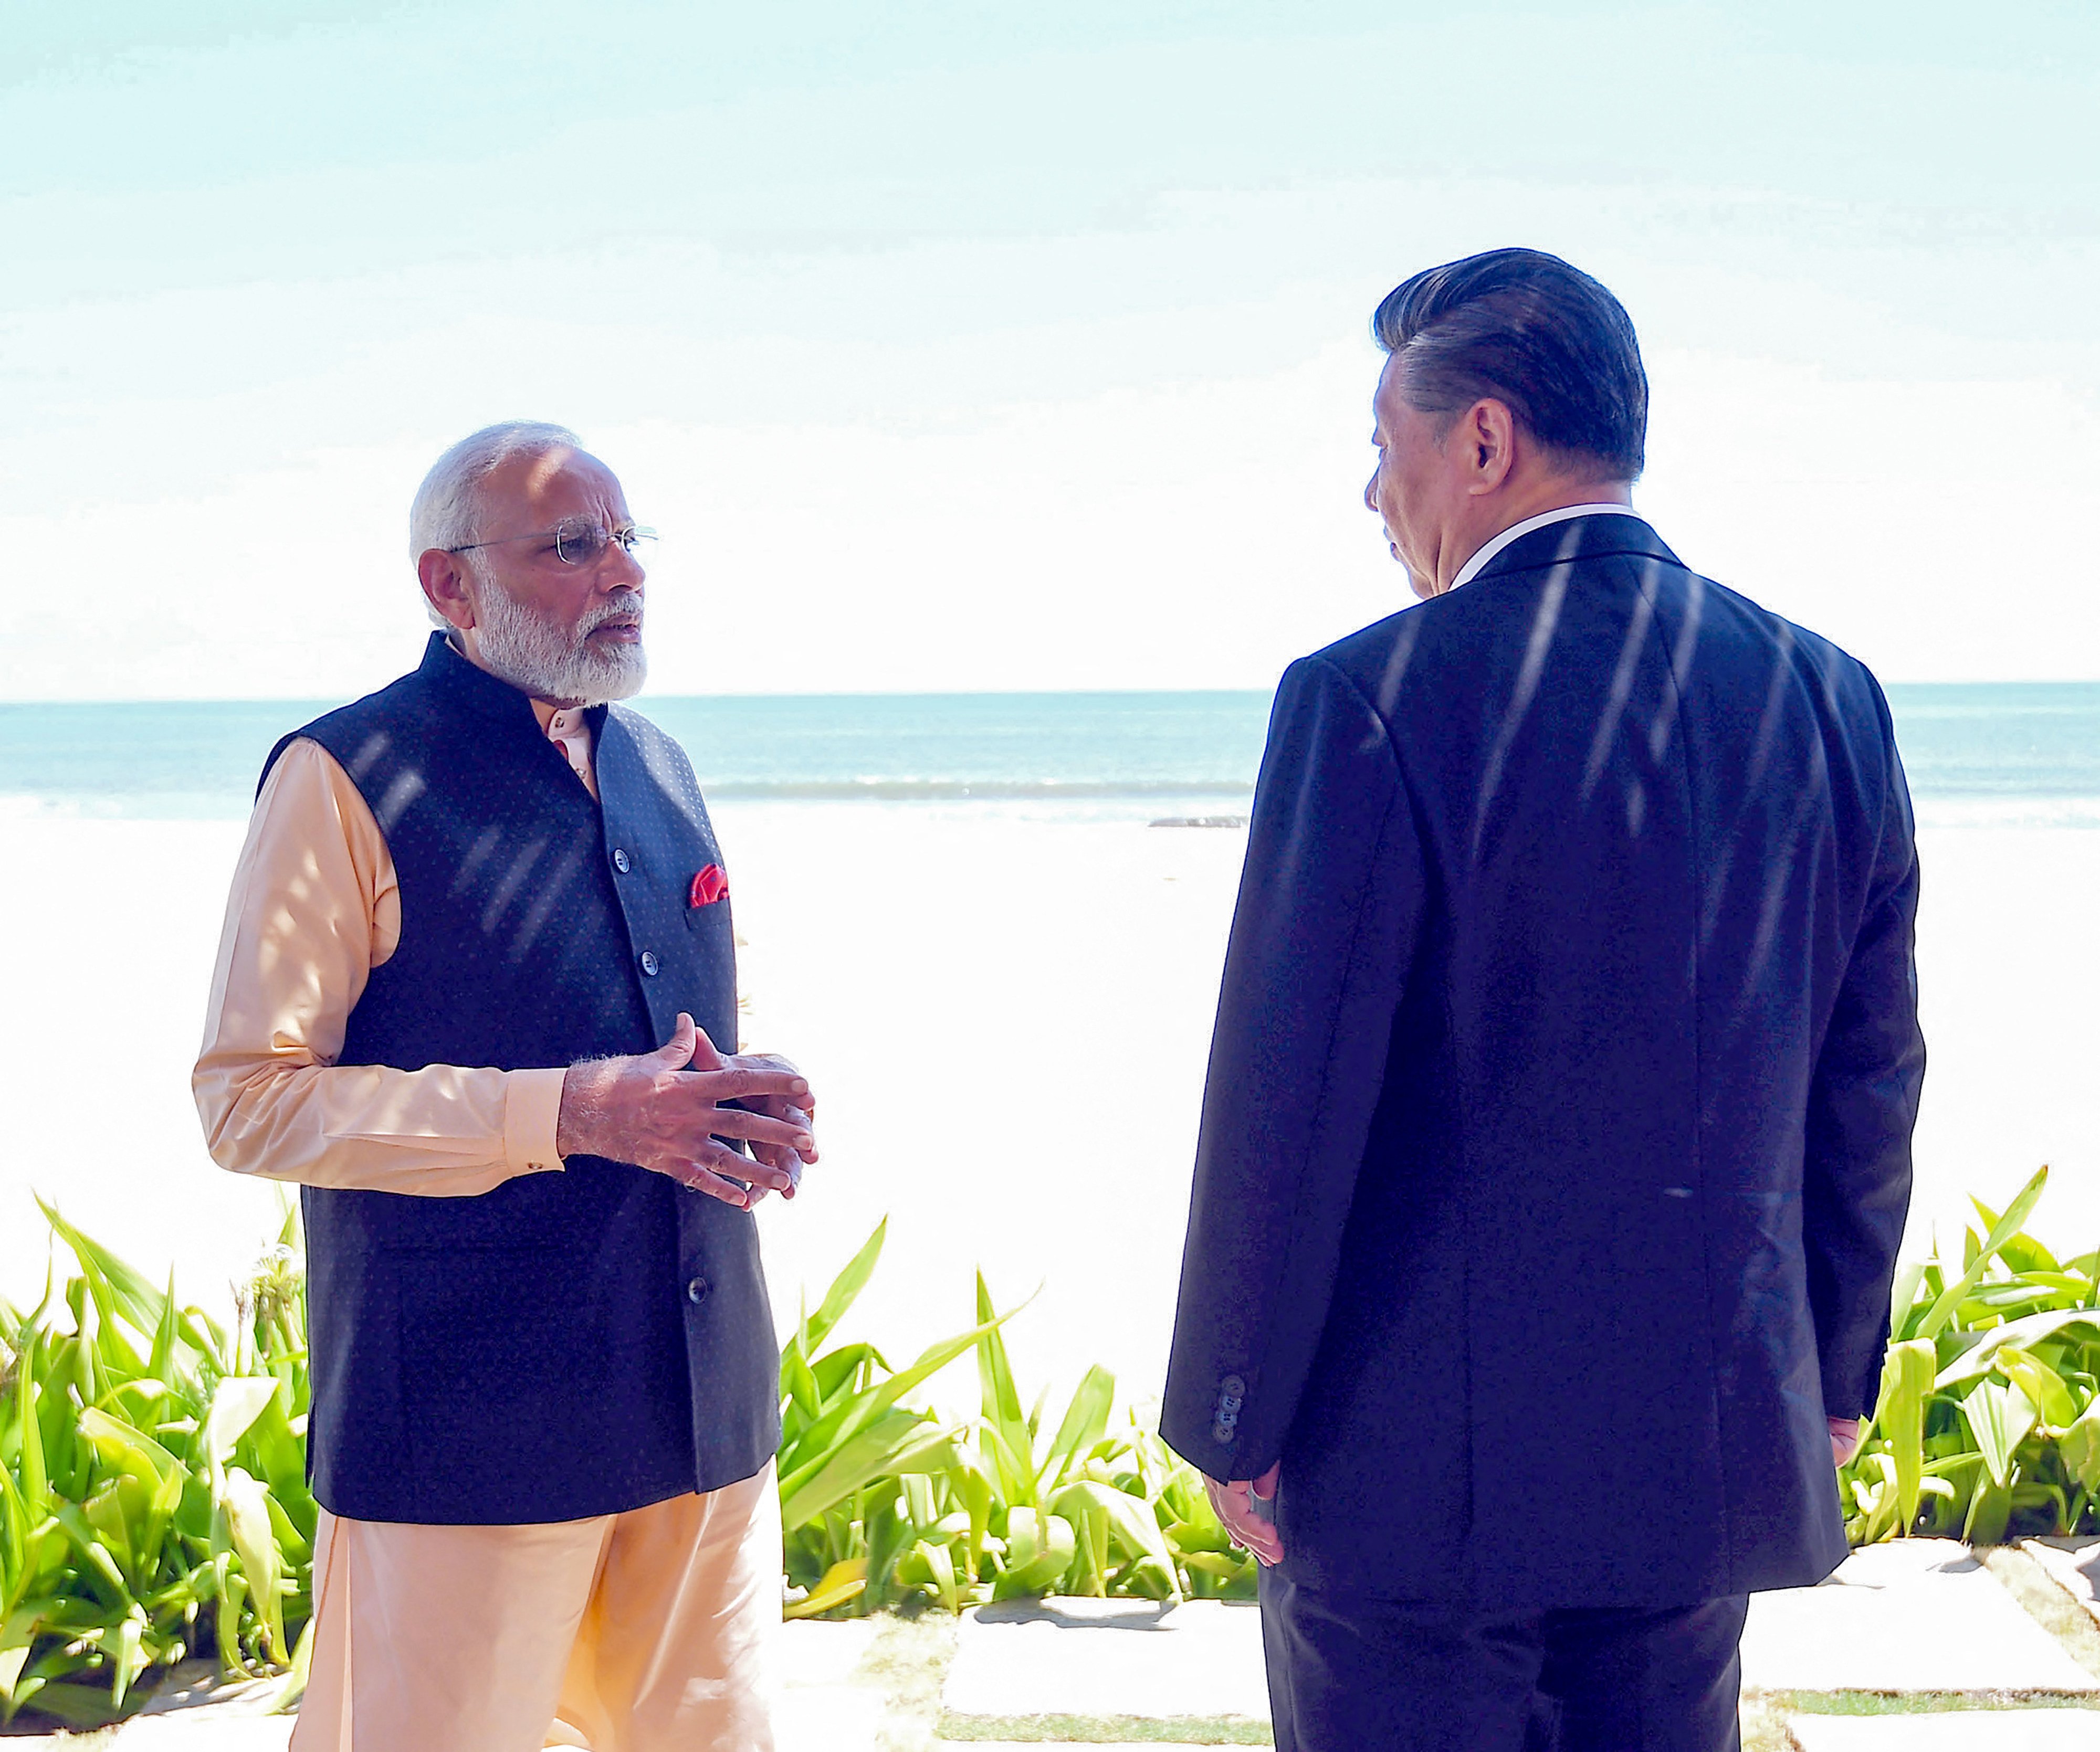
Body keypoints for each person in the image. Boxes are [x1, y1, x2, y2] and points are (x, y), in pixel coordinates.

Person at [1159, 250, 1924, 1751]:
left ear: (1486, 441)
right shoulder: (1833, 697)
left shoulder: (1370, 694)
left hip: (1411, 1480)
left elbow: (1289, 1097)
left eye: (1385, 452)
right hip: (1704, 1451)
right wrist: (1831, 1372)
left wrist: (1235, 1414)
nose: (1374, 500)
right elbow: (1869, 1071)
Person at [193, 421, 817, 1751]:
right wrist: (570, 1112)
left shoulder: (657, 764)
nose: (620, 573)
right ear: (449, 584)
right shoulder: (342, 777)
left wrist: (739, 1094)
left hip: (700, 1409)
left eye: (626, 538)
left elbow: (657, 1031)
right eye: (570, 545)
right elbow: (249, 1103)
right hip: (466, 1432)